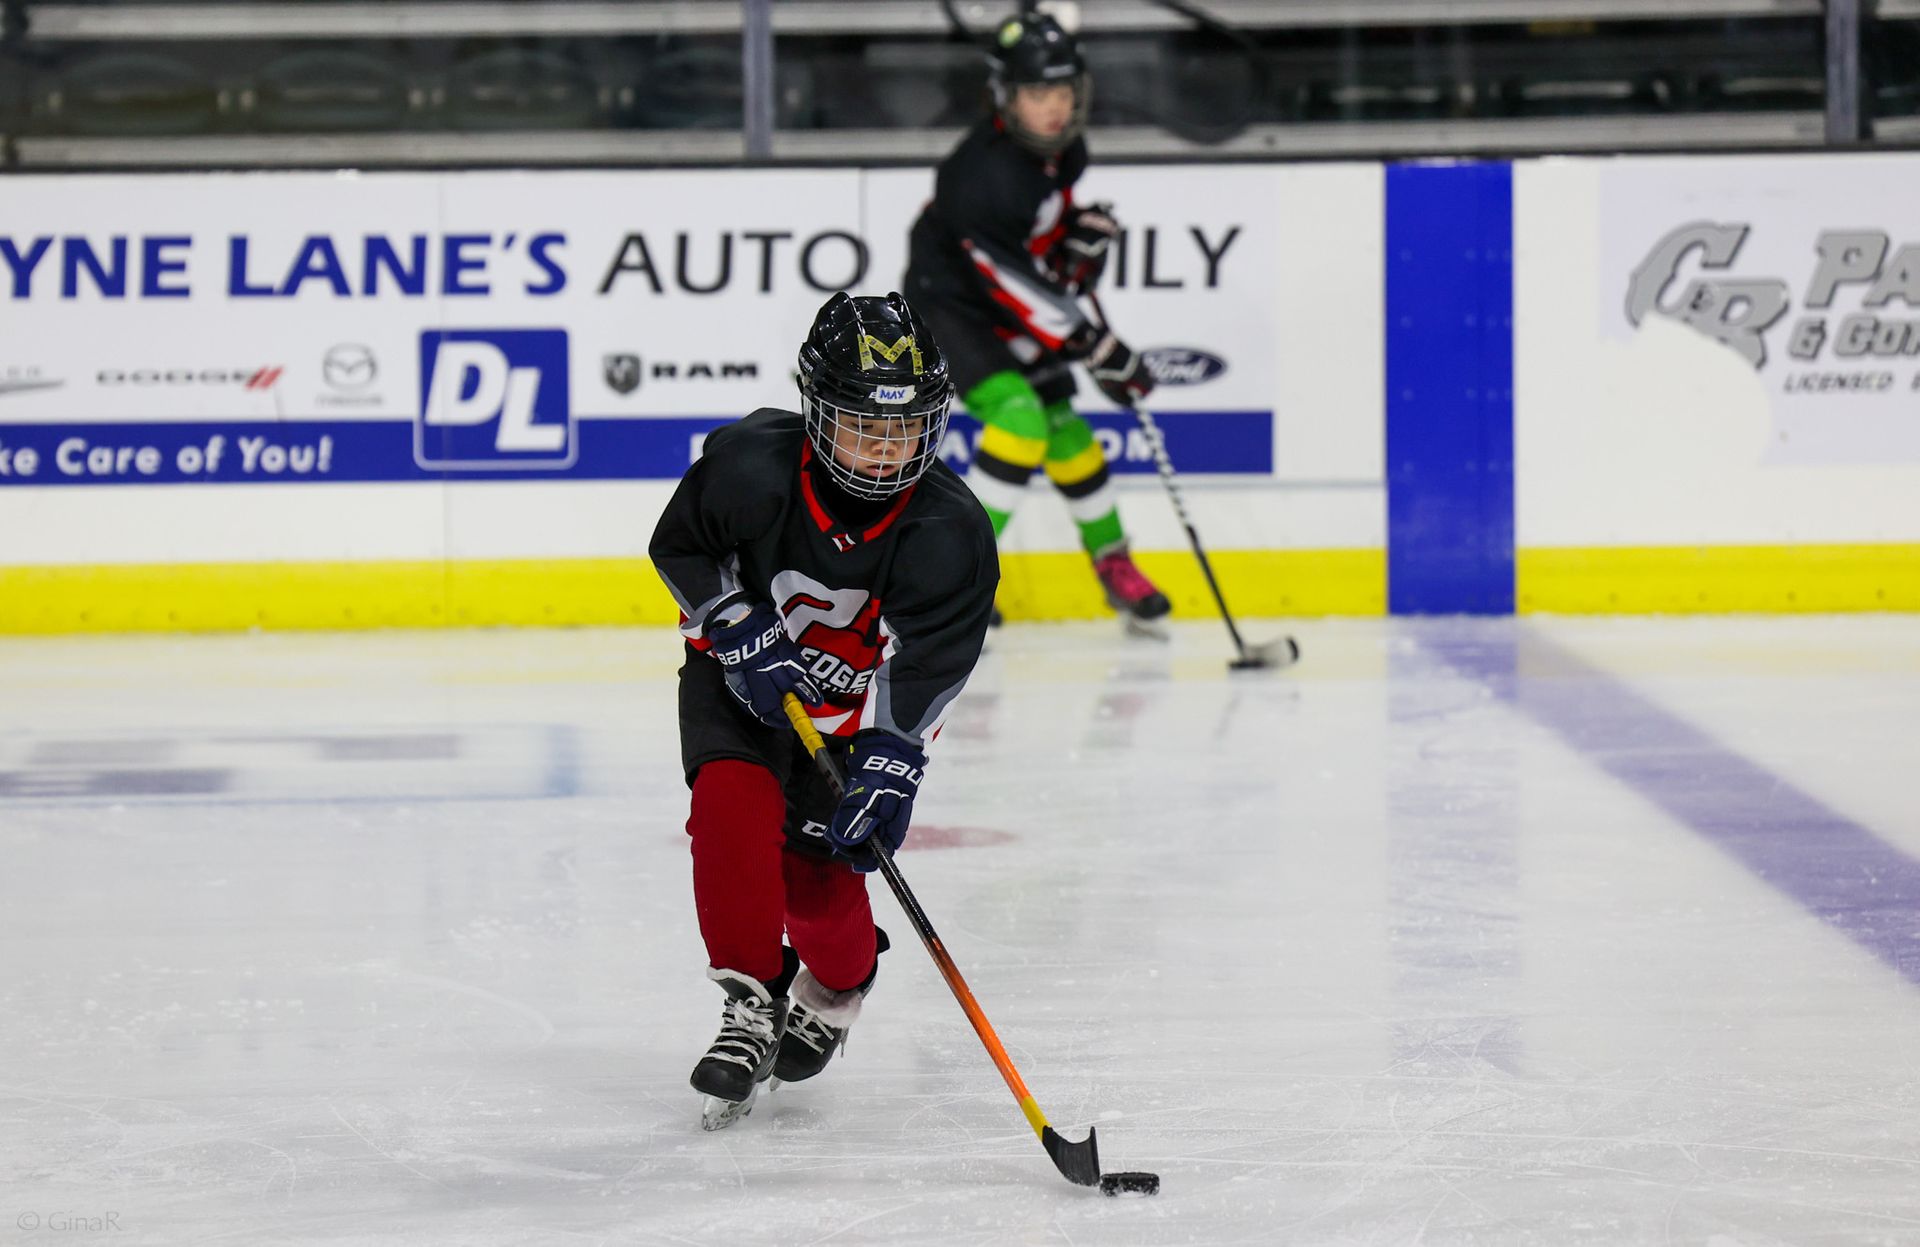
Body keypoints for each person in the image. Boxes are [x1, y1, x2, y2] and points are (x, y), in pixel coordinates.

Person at [649, 291, 998, 1126]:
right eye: (862, 427)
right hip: (737, 683)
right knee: (730, 813)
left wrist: (890, 757)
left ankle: (842, 982)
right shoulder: (749, 464)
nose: (883, 452)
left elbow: (929, 665)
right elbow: (682, 544)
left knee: (819, 894)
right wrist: (731, 621)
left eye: (903, 429)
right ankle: (750, 997)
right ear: (816, 413)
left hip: (840, 720)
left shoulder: (950, 530)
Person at [905, 10, 1170, 626]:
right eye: (1036, 94)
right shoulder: (979, 176)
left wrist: (1077, 241)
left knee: (1067, 430)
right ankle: (955, 577)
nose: (1053, 108)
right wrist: (1093, 344)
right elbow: (1013, 283)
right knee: (1021, 421)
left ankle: (1112, 563)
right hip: (952, 310)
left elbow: (1037, 247)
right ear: (1005, 97)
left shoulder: (1063, 150)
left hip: (1001, 308)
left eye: (1062, 92)